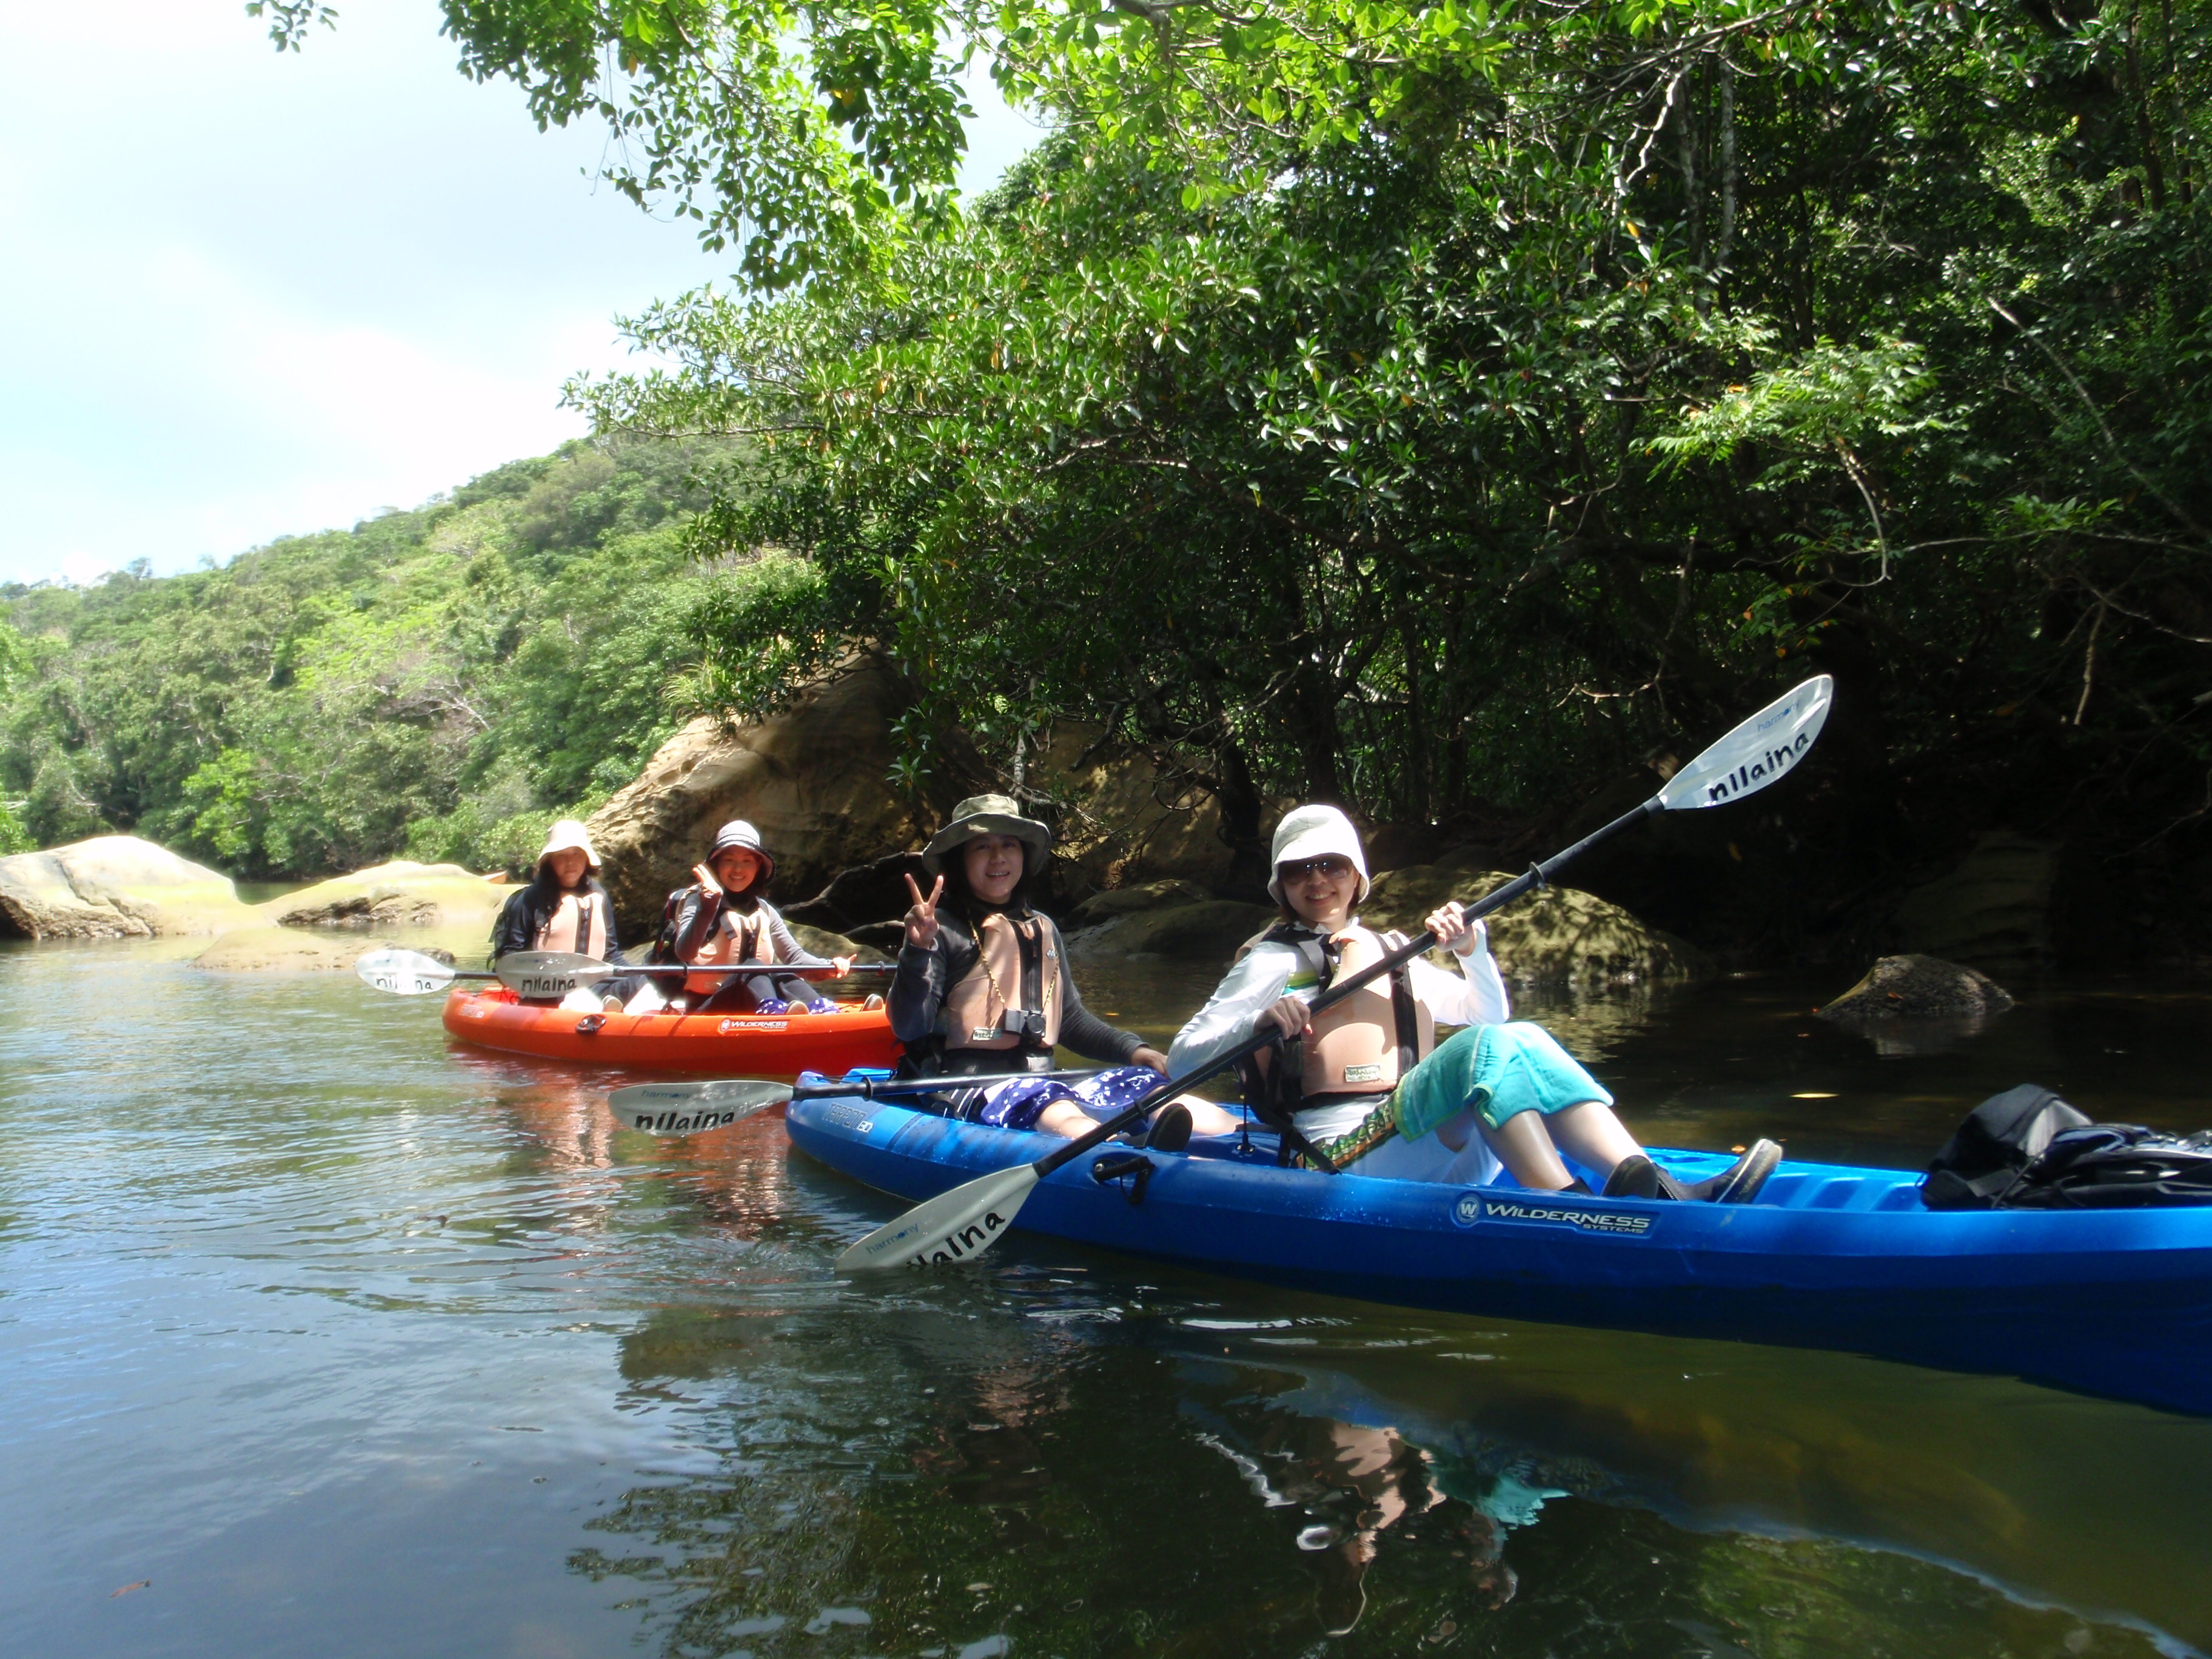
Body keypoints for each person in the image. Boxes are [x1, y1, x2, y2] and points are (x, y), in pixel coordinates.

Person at [1169, 804, 1778, 1199]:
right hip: (1336, 1162)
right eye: (1299, 871)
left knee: (1524, 1040)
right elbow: (1182, 1058)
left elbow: (1492, 1017)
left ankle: (1649, 1184)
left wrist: (1471, 951)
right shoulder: (1271, 961)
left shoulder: (1388, 949)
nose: (1317, 881)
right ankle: (1569, 1209)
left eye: (1331, 865)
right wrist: (1257, 1020)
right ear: (1283, 886)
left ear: (1357, 876)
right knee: (1486, 1052)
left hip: (1427, 1150)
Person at [890, 793, 1241, 1147]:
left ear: (1023, 855)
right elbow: (909, 1026)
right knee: (1055, 1109)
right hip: (969, 1087)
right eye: (982, 847)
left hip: (1044, 1080)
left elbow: (1069, 1020)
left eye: (1009, 845)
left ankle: (1240, 1138)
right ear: (960, 859)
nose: (998, 858)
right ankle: (1121, 1152)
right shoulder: (941, 930)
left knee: (1147, 1086)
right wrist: (917, 950)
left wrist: (1133, 1050)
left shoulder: (1042, 927)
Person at [646, 819, 854, 1016]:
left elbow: (795, 958)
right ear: (717, 865)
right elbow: (685, 952)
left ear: (758, 868)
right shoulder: (697, 901)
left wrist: (828, 966)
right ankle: (773, 1012)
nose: (738, 869)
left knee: (780, 972)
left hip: (749, 1005)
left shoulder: (765, 910)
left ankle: (818, 1007)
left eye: (747, 861)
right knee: (752, 966)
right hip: (705, 1008)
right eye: (729, 860)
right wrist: (708, 907)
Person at [489, 820, 631, 1012]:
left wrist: (634, 977)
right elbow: (510, 956)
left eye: (576, 853)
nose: (570, 862)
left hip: (593, 984)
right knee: (579, 996)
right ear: (550, 860)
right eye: (562, 855)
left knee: (641, 983)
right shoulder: (530, 899)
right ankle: (602, 1006)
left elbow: (611, 954)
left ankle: (609, 1004)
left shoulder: (599, 896)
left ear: (587, 858)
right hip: (546, 991)